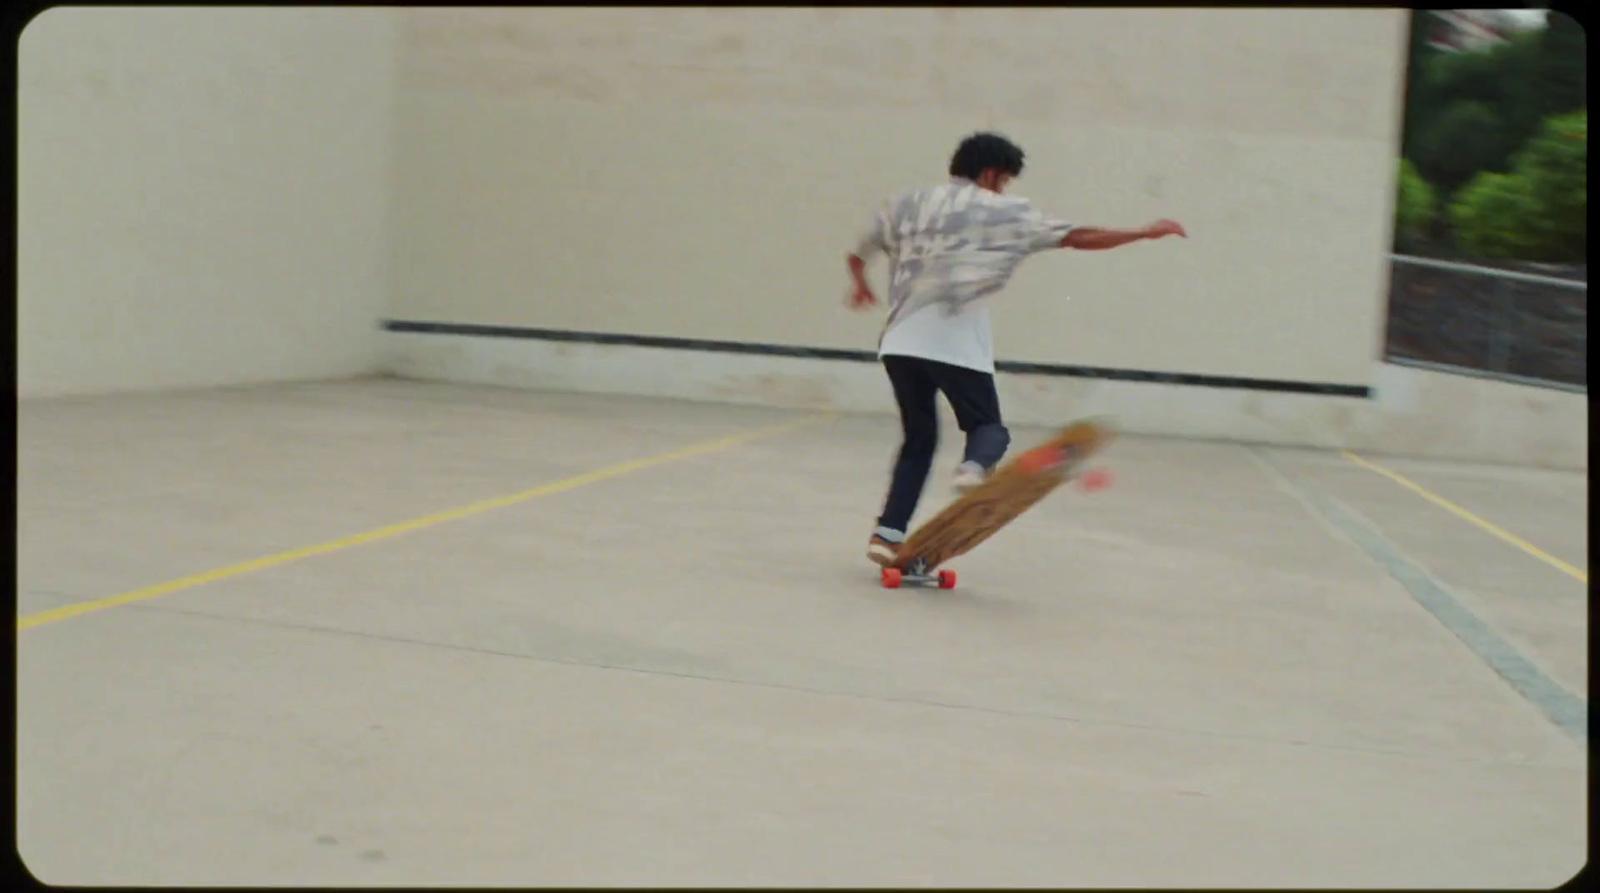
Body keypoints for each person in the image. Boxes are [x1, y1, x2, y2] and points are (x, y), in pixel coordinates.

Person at [846, 131, 1187, 567]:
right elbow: (1078, 237)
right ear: (991, 174)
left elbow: (857, 254)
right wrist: (1142, 232)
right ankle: (973, 470)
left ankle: (886, 535)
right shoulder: (1007, 211)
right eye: (1004, 180)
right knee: (989, 429)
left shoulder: (904, 204)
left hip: (899, 343)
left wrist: (860, 287)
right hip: (953, 341)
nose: (1005, 189)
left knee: (919, 439)